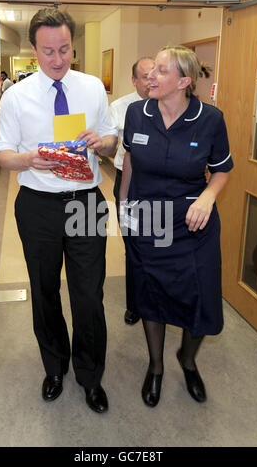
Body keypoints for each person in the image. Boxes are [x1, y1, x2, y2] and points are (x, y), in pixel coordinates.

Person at [0, 8, 117, 414]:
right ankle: (55, 367)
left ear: (72, 45)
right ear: (34, 49)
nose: (58, 59)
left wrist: (102, 143)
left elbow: (112, 141)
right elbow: (3, 154)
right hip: (39, 206)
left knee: (88, 295)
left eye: (65, 49)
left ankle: (90, 375)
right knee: (44, 291)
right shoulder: (16, 96)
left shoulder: (92, 87)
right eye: (48, 51)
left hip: (85, 202)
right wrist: (28, 158)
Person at [120, 45, 233, 407]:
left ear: (184, 81)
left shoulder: (210, 119)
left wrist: (208, 196)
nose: (150, 75)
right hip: (147, 221)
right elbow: (130, 161)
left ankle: (187, 359)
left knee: (200, 296)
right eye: (151, 70)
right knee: (150, 294)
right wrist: (123, 206)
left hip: (192, 224)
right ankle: (155, 368)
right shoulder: (137, 113)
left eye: (161, 71)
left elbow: (223, 169)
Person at [109, 57, 154, 326]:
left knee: (158, 242)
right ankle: (135, 303)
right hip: (128, 182)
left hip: (158, 183)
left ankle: (156, 297)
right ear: (134, 80)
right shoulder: (121, 107)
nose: (151, 81)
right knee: (133, 242)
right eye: (145, 76)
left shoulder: (169, 103)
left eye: (155, 74)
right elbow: (111, 142)